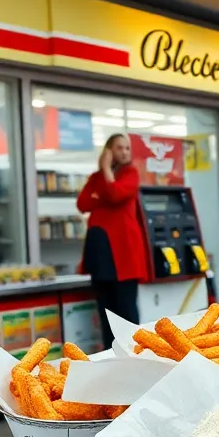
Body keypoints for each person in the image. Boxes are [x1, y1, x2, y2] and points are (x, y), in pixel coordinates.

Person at [77, 133, 149, 350]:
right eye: (119, 148)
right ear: (108, 150)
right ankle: (112, 353)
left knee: (126, 309)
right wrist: (105, 186)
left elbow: (116, 195)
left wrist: (107, 175)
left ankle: (133, 353)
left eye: (127, 148)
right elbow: (83, 203)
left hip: (124, 253)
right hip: (101, 253)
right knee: (105, 309)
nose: (125, 152)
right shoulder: (96, 177)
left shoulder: (131, 173)